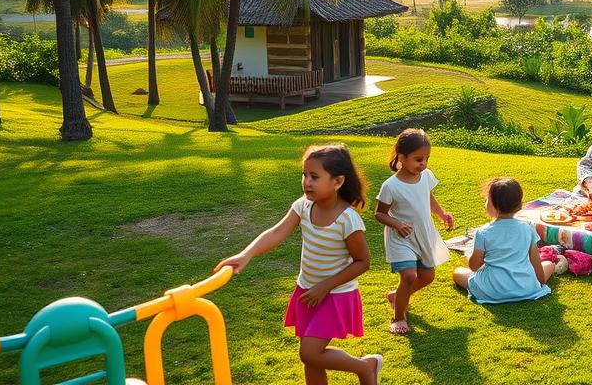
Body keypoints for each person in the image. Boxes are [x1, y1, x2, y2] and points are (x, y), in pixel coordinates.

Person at [217, 144, 383, 385]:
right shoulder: (303, 206)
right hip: (307, 291)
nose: (306, 182)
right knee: (311, 360)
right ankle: (365, 367)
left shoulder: (348, 220)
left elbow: (363, 262)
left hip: (335, 294)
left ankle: (365, 367)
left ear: (337, 182)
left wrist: (325, 286)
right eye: (304, 175)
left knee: (310, 352)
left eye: (314, 177)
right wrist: (247, 254)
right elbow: (276, 233)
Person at [374, 129, 454, 335]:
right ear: (402, 157)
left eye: (427, 158)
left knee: (427, 277)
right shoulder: (390, 186)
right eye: (418, 159)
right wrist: (396, 223)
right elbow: (379, 214)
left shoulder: (425, 176)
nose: (424, 164)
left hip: (423, 234)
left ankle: (396, 296)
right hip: (402, 238)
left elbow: (428, 197)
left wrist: (442, 214)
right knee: (409, 276)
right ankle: (398, 317)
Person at [452, 177, 563, 303]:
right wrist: (540, 282)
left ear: (493, 204)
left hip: (492, 290)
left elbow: (474, 266)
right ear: (519, 204)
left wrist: (468, 256)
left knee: (458, 272)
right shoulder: (528, 228)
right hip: (526, 288)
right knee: (548, 264)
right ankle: (552, 268)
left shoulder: (483, 232)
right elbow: (535, 261)